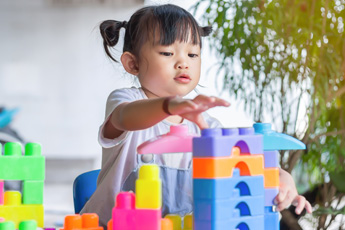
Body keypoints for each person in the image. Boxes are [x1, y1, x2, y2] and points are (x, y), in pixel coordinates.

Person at [80, 4, 312, 227]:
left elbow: (243, 162)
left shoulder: (207, 126)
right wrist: (170, 106)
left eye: (193, 54)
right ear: (133, 63)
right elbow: (124, 117)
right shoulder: (125, 101)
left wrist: (281, 179)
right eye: (168, 52)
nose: (183, 63)